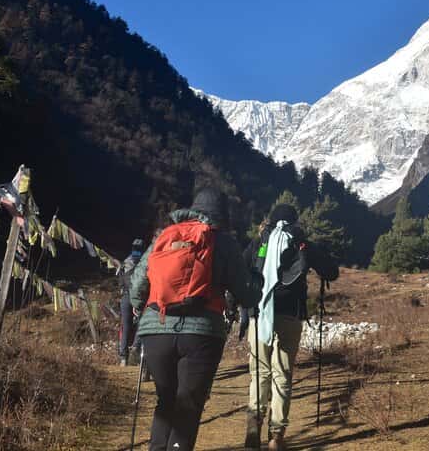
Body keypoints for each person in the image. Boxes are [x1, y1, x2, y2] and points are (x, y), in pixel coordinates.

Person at [130, 187, 263, 451]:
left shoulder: (164, 236)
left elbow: (137, 286)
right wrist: (256, 282)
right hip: (201, 335)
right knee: (188, 407)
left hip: (156, 329)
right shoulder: (223, 242)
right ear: (221, 215)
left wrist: (138, 308)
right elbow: (247, 295)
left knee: (165, 402)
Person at [243, 204, 339, 451]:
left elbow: (242, 272)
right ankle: (276, 436)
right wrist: (324, 254)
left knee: (260, 371)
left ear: (270, 220)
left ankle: (254, 422)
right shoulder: (301, 242)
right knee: (282, 374)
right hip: (290, 315)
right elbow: (332, 272)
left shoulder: (259, 242)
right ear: (294, 221)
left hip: (260, 314)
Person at [118, 238, 144, 366]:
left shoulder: (124, 263)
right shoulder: (145, 262)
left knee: (126, 326)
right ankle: (136, 346)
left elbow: (120, 282)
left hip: (126, 297)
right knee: (142, 323)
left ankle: (123, 357)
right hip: (139, 297)